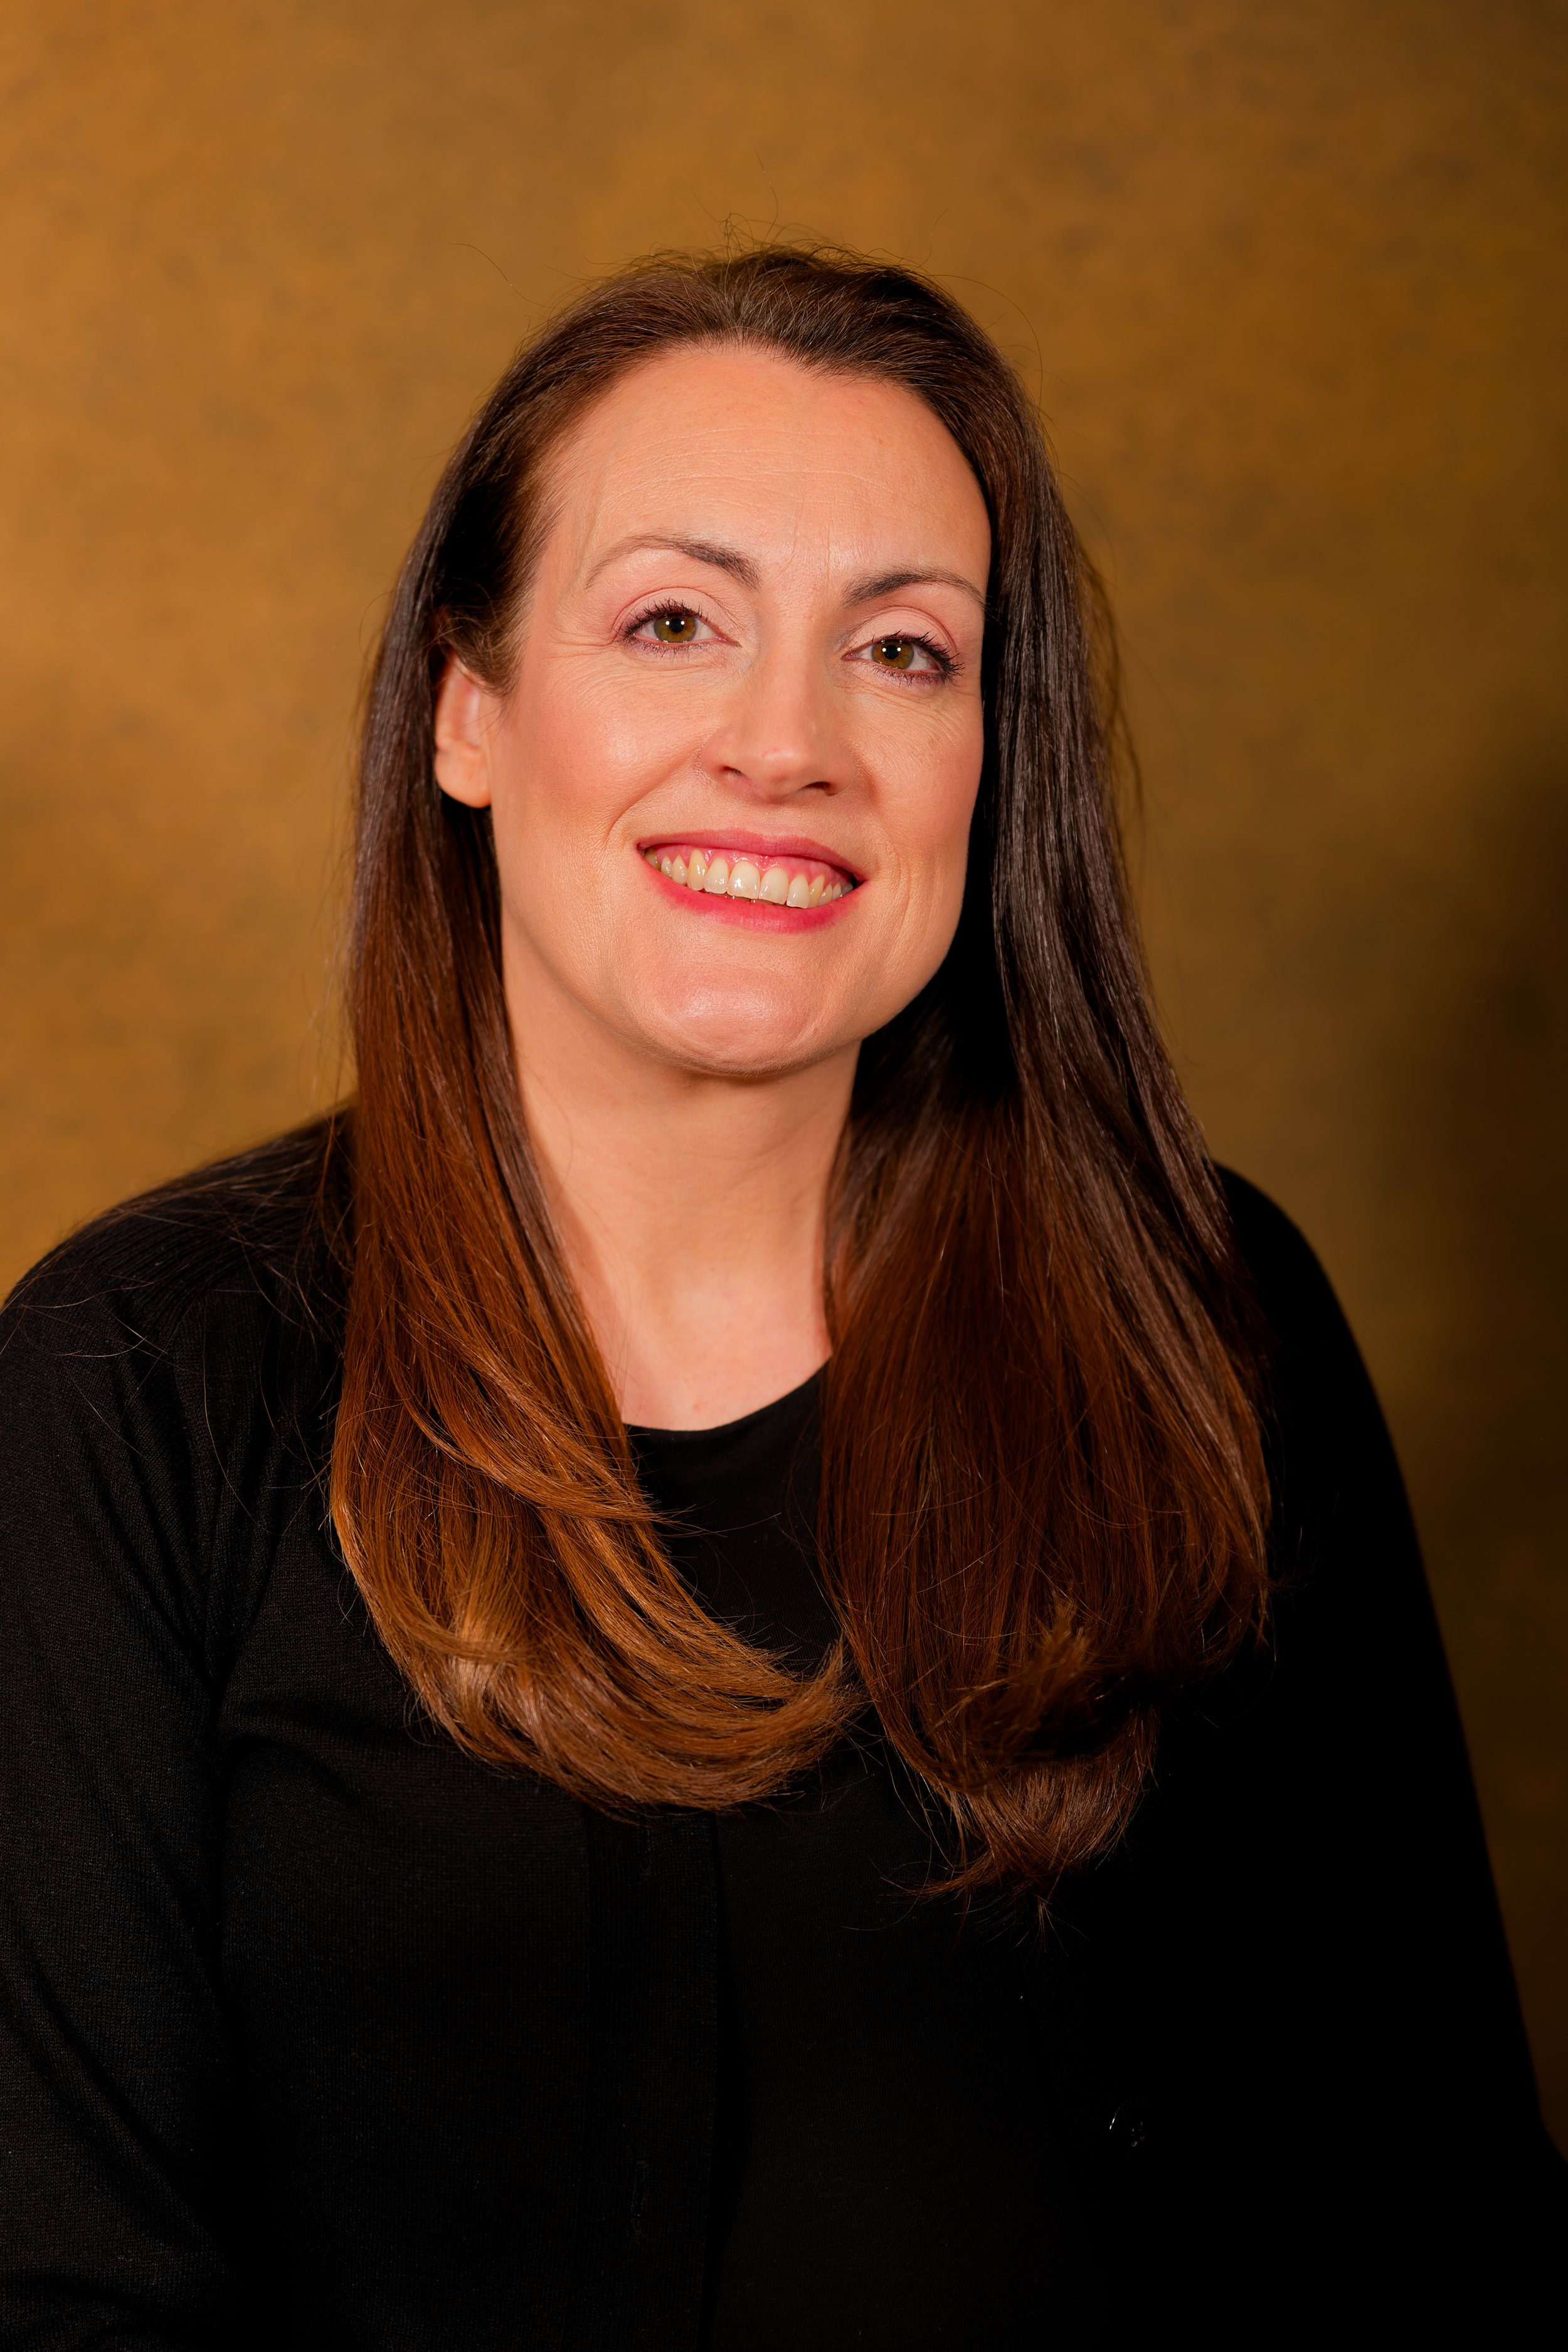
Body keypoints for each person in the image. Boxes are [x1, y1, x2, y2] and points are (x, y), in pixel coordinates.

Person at [0, 246, 1559, 2352]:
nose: (785, 745)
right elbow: (69, 2289)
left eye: (902, 655)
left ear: (988, 767)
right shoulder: (131, 1383)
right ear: (468, 710)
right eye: (671, 623)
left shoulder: (1198, 1313)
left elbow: (1423, 2215)